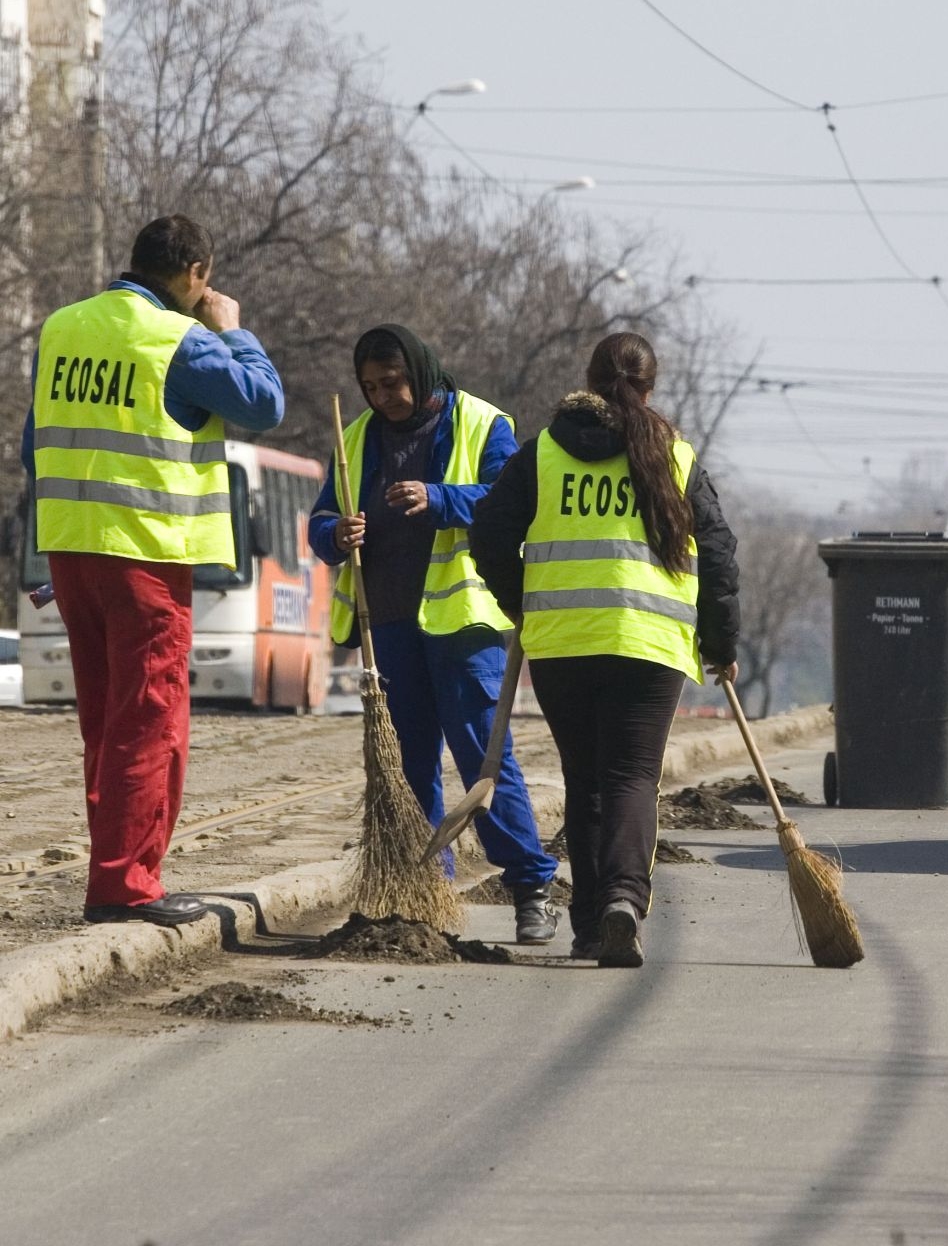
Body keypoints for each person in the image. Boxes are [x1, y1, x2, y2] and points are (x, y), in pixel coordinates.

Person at [21, 214, 284, 927]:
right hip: (146, 555)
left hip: (72, 552)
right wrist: (234, 329)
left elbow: (32, 448)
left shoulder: (63, 328)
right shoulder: (182, 340)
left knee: (106, 724)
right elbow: (265, 403)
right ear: (196, 275)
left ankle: (116, 871)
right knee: (149, 719)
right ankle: (127, 886)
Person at [468, 332, 739, 968]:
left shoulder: (542, 454)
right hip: (648, 646)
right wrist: (721, 643)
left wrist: (520, 602)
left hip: (562, 645)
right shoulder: (674, 456)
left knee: (585, 779)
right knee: (631, 777)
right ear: (650, 387)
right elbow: (720, 554)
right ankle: (623, 898)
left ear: (588, 381)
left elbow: (488, 533)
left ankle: (590, 926)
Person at [308, 323, 559, 943]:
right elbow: (319, 519)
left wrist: (439, 498)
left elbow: (511, 500)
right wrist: (335, 534)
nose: (382, 397)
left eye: (391, 383)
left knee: (483, 756)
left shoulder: (482, 423)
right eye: (369, 387)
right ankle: (426, 891)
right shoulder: (358, 436)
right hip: (388, 624)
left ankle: (530, 886)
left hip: (461, 627)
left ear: (419, 371)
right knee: (407, 763)